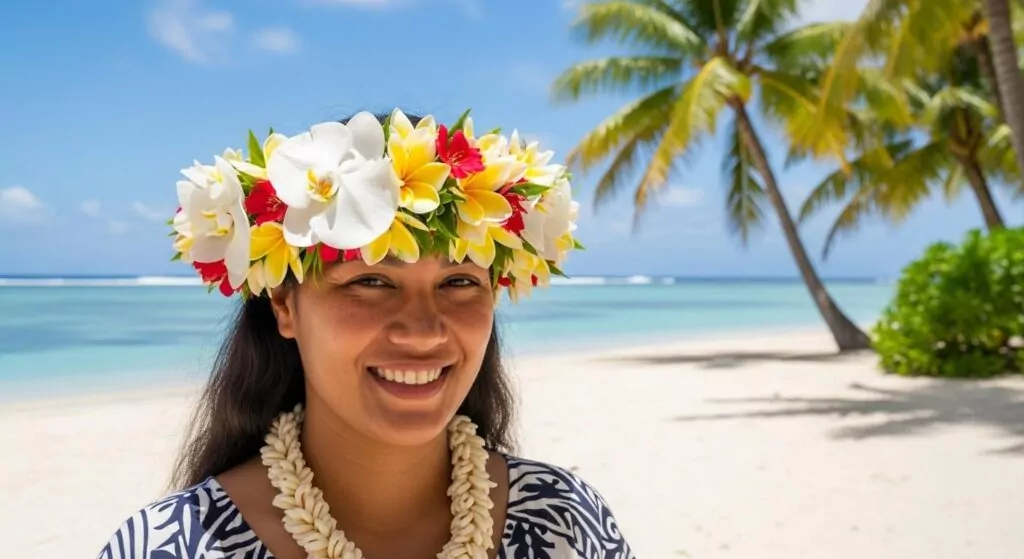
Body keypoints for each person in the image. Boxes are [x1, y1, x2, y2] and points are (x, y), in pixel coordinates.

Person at [97, 109, 635, 558]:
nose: (423, 333)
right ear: (284, 303)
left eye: (459, 282)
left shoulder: (567, 524)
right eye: (371, 281)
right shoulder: (171, 546)